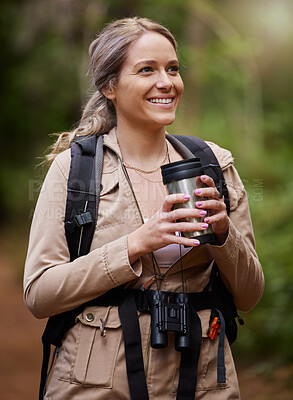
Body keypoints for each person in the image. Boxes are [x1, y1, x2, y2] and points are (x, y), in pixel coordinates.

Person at [24, 17, 264, 400]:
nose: (166, 82)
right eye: (146, 70)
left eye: (172, 69)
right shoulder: (74, 170)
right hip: (95, 385)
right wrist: (135, 244)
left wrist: (224, 235)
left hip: (204, 381)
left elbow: (250, 295)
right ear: (110, 86)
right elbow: (39, 294)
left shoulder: (213, 165)